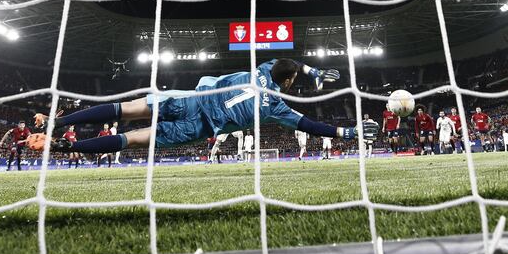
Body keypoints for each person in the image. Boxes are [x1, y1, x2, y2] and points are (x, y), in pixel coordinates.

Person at [27, 59, 360, 158]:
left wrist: (311, 71)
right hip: (197, 127)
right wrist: (346, 131)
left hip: (190, 98)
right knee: (136, 139)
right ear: (286, 84)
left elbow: (284, 63)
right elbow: (310, 126)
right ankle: (66, 147)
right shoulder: (276, 106)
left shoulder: (260, 69)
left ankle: (59, 123)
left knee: (125, 109)